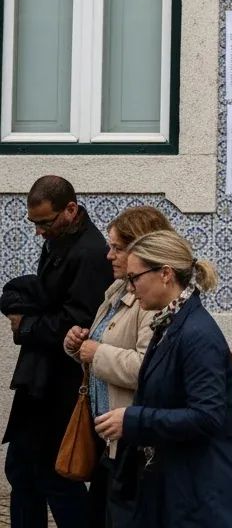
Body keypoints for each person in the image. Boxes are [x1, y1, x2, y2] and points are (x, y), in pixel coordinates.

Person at [96, 230, 232, 528]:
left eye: (135, 278)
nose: (130, 288)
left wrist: (133, 420)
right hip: (180, 487)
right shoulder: (169, 323)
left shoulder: (197, 333)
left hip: (206, 497)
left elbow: (208, 416)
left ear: (166, 274)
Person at [3, 175, 112, 528]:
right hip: (40, 379)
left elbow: (77, 323)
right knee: (22, 470)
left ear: (71, 209)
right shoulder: (60, 239)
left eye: (45, 223)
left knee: (55, 475)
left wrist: (28, 325)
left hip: (62, 385)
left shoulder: (91, 252)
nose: (40, 232)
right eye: (35, 224)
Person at [63, 205, 171, 528]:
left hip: (131, 440)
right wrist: (76, 345)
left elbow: (147, 368)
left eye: (117, 248)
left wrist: (96, 352)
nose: (108, 255)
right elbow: (98, 350)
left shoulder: (151, 301)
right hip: (106, 435)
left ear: (143, 248)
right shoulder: (117, 292)